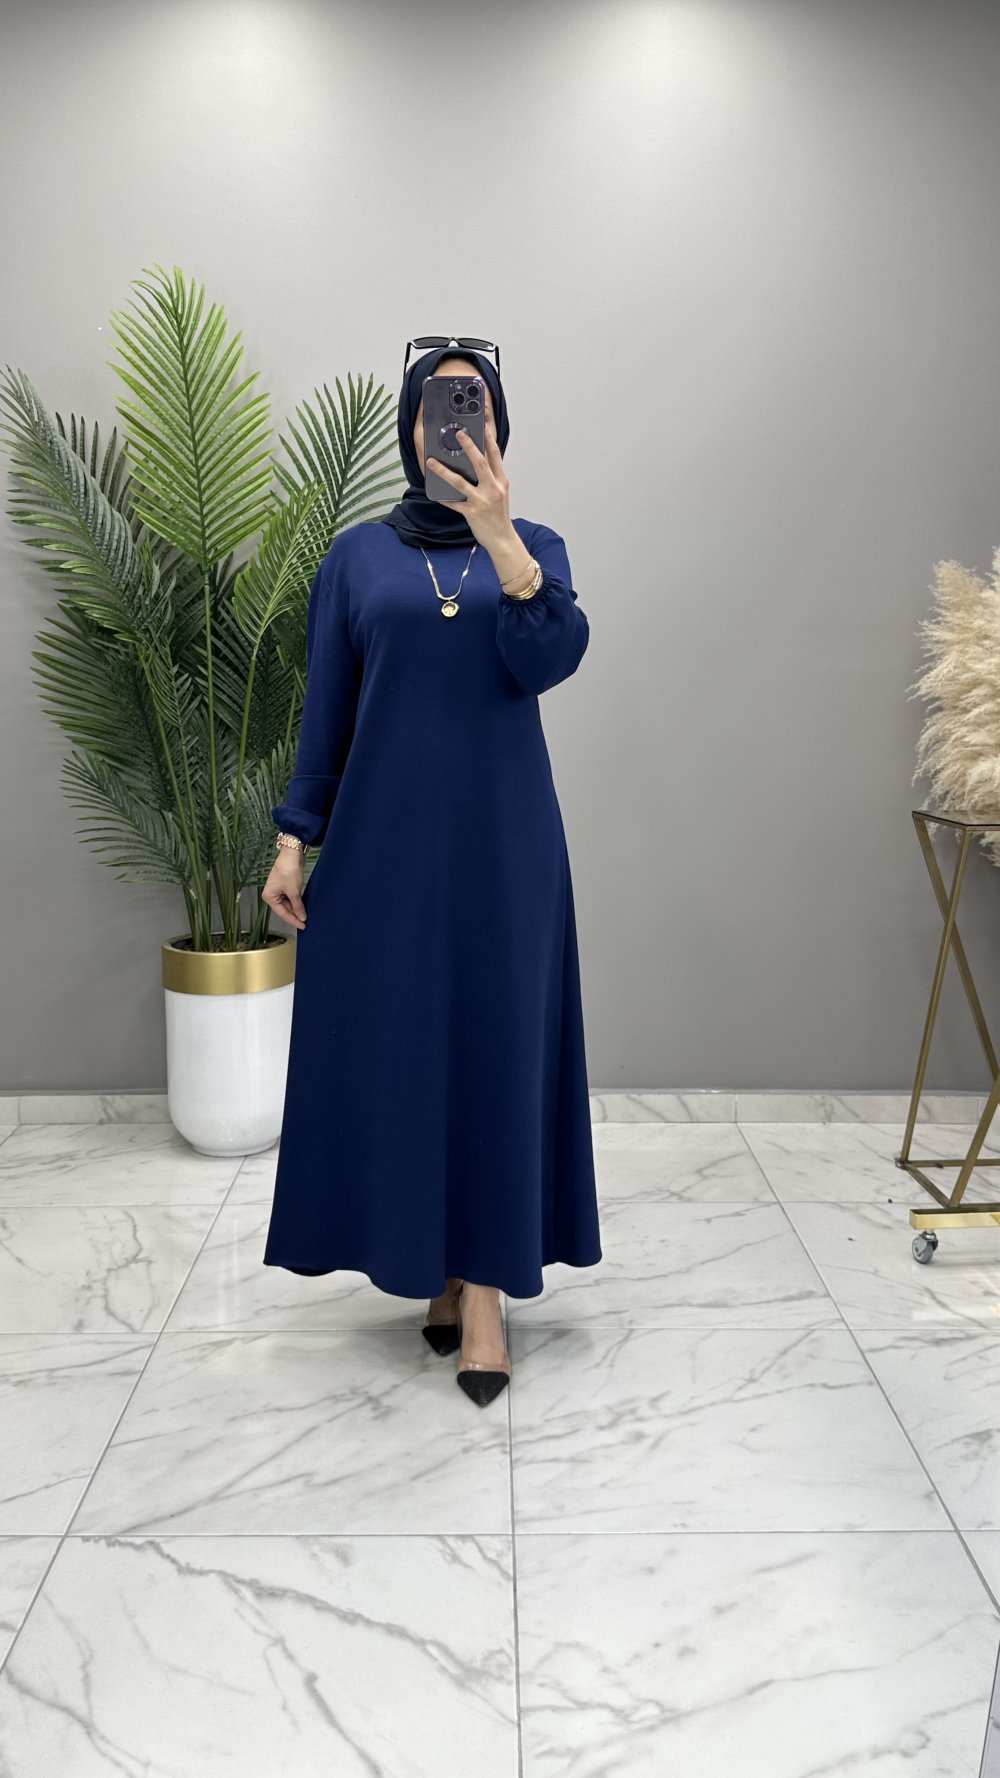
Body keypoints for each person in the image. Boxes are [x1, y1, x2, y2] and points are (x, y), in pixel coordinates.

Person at [260, 337, 602, 1406]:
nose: (458, 425)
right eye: (439, 408)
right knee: (407, 1052)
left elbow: (550, 657)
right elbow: (328, 708)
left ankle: (486, 1291)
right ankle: (433, 1267)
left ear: (498, 425)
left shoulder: (534, 545)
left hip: (505, 850)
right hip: (383, 850)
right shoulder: (357, 558)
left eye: (475, 406)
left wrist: (500, 536)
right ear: (411, 429)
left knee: (496, 1049)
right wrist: (293, 836)